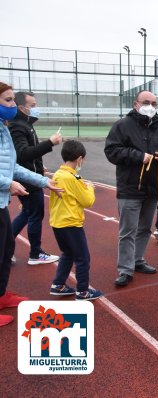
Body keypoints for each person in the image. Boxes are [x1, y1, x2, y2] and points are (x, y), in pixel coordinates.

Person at [0, 82, 62, 327]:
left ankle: (1, 295)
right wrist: (8, 184)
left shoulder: (4, 128)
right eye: (7, 100)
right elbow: (10, 171)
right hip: (3, 193)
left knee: (6, 251)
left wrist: (43, 181)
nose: (12, 105)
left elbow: (13, 166)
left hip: (2, 201)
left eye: (12, 100)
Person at [104, 90, 158, 287]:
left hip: (153, 187)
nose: (150, 106)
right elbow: (111, 151)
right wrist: (138, 156)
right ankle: (125, 269)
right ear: (136, 104)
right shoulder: (122, 125)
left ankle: (137, 260)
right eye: (146, 102)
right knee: (128, 230)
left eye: (154, 103)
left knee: (145, 228)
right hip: (130, 187)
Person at [10, 91, 62, 265]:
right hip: (29, 180)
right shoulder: (17, 126)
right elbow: (22, 154)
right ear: (21, 107)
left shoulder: (26, 124)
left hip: (31, 175)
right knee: (34, 215)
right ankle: (35, 254)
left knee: (27, 213)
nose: (35, 109)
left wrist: (40, 167)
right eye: (32, 106)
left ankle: (5, 246)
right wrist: (50, 143)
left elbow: (27, 154)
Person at [49, 140, 103, 300]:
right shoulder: (73, 178)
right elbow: (87, 201)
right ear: (79, 159)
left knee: (67, 253)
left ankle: (58, 284)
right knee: (82, 258)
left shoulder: (58, 174)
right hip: (71, 223)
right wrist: (90, 188)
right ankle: (83, 291)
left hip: (57, 223)